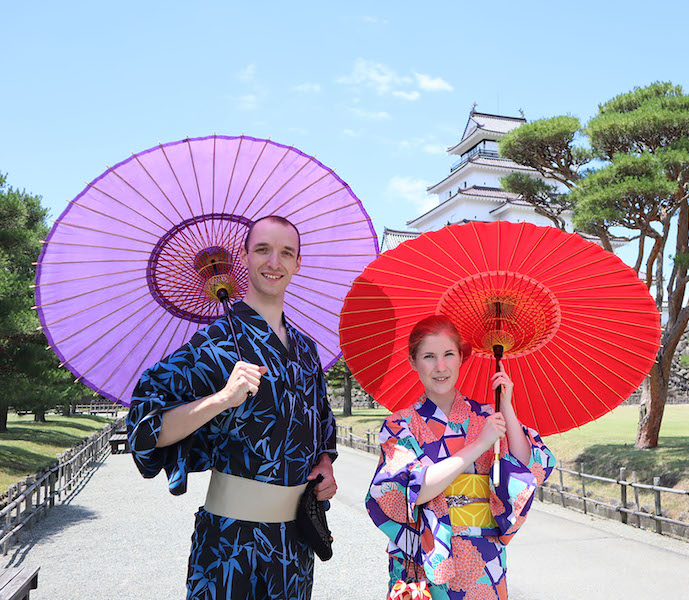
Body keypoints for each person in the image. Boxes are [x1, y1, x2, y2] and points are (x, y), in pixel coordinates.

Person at [127, 215, 337, 600]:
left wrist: (324, 464)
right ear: (243, 257)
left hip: (294, 546)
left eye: (286, 253)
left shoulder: (307, 349)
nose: (274, 262)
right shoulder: (215, 343)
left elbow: (321, 424)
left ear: (297, 263)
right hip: (230, 543)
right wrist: (222, 398)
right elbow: (147, 429)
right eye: (262, 250)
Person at [365, 315, 556, 600]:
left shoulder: (486, 417)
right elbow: (412, 491)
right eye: (429, 356)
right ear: (413, 362)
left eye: (448, 355)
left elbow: (527, 468)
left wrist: (506, 406)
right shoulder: (400, 424)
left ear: (461, 358)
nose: (440, 367)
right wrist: (480, 444)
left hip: (483, 556)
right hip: (424, 556)